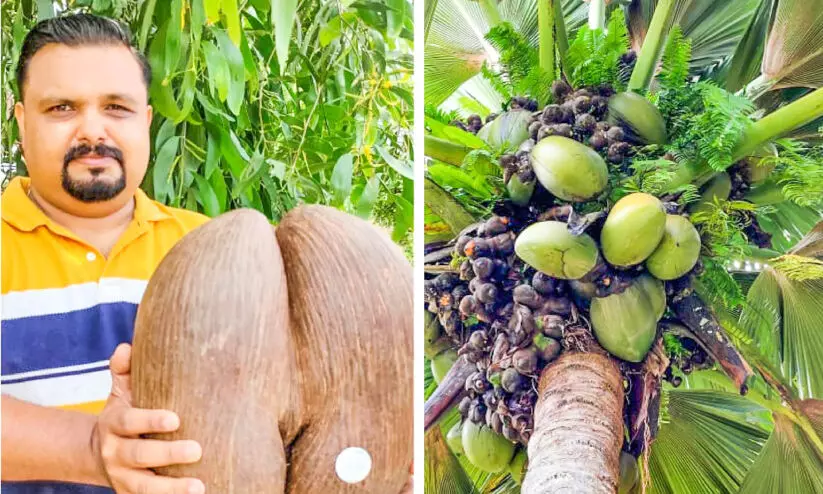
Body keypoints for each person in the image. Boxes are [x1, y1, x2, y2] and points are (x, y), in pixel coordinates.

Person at [2, 14, 209, 494]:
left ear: (147, 121)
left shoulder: (206, 247)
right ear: (21, 120)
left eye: (117, 107)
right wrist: (91, 449)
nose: (92, 131)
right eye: (61, 108)